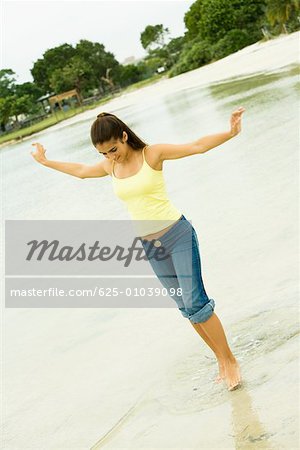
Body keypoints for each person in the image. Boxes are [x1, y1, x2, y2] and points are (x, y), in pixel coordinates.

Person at [31, 107, 245, 391]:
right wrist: (46, 162)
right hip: (150, 246)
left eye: (113, 149)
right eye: (103, 154)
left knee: (197, 302)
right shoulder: (111, 167)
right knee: (185, 308)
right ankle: (220, 359)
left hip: (178, 236)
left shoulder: (152, 154)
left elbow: (195, 146)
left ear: (123, 135)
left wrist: (230, 132)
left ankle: (231, 360)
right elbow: (81, 172)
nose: (110, 157)